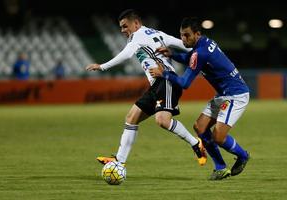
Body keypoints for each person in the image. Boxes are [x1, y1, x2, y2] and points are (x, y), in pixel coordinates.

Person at [85, 9, 207, 167]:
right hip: (157, 85)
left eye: (125, 26)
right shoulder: (157, 33)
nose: (123, 30)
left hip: (166, 80)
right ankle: (119, 161)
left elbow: (127, 54)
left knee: (162, 120)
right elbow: (184, 45)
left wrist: (102, 67)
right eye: (121, 27)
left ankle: (196, 144)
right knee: (131, 118)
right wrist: (205, 53)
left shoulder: (137, 36)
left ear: (136, 23)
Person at [150, 17, 250, 180]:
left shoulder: (200, 52)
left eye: (187, 35)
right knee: (200, 127)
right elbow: (192, 59)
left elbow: (184, 83)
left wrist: (164, 73)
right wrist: (173, 54)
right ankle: (220, 168)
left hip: (235, 95)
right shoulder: (203, 44)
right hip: (224, 94)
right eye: (181, 35)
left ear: (197, 34)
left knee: (218, 137)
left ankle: (243, 155)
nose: (183, 39)